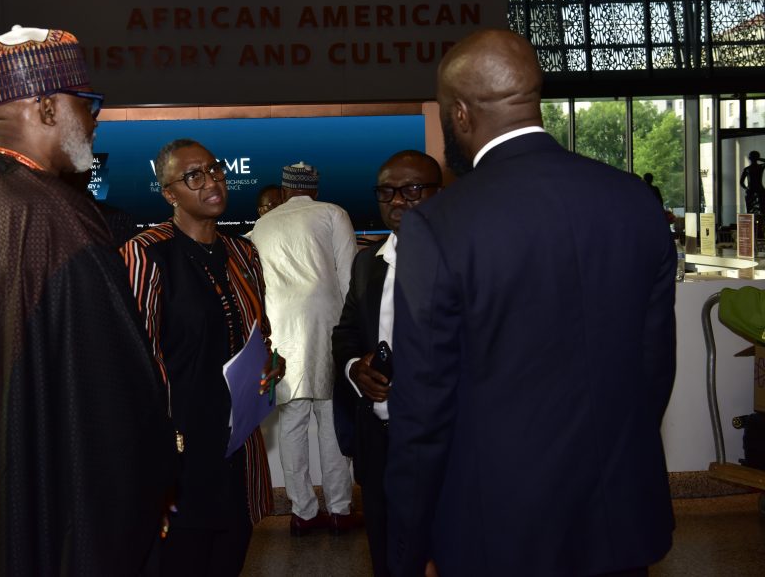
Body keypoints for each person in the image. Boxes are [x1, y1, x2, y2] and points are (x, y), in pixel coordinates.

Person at [386, 29, 676, 577]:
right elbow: (653, 373)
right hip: (619, 522)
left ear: (461, 115)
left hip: (498, 533)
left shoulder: (441, 225)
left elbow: (423, 412)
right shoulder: (635, 201)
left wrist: (408, 547)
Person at [0, 25, 177, 576]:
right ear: (48, 107)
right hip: (53, 495)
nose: (95, 120)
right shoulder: (59, 216)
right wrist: (157, 466)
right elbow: (111, 385)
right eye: (89, 105)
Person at [120, 138, 285, 577]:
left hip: (237, 446)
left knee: (230, 558)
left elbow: (259, 336)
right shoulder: (147, 253)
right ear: (169, 193)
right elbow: (134, 360)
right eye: (194, 176)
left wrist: (272, 363)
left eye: (214, 170)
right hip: (179, 456)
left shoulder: (244, 253)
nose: (211, 181)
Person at [332, 150, 442, 577]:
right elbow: (345, 335)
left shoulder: (462, 261)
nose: (398, 201)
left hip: (441, 439)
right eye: (387, 192)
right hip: (378, 437)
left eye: (413, 189)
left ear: (439, 193)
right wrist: (355, 371)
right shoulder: (367, 264)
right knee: (386, 551)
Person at [249, 162, 360, 536]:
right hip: (329, 328)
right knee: (330, 422)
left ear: (284, 189)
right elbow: (349, 277)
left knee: (293, 425)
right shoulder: (332, 213)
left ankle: (303, 513)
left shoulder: (263, 225)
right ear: (313, 187)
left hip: (281, 334)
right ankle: (341, 511)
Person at [740, 150, 765, 215]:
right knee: (755, 210)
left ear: (749, 158)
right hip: (756, 191)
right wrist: (758, 158)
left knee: (760, 210)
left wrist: (747, 189)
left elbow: (741, 182)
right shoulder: (758, 167)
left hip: (756, 191)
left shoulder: (758, 167)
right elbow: (741, 182)